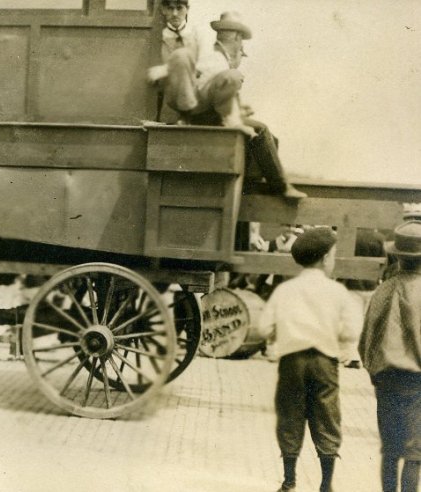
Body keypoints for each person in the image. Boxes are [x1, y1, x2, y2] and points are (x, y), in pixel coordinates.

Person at [257, 227, 363, 492]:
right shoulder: (337, 291)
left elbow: (263, 328)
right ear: (326, 258)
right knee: (327, 416)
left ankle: (289, 480)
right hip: (325, 362)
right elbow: (351, 331)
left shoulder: (285, 290)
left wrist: (282, 332)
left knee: (290, 414)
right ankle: (326, 484)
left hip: (291, 361)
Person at [163, 12, 306, 200]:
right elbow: (214, 98)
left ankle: (250, 184)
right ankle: (280, 187)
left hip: (198, 114)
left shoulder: (210, 55)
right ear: (237, 38)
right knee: (261, 130)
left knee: (270, 139)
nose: (241, 48)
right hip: (202, 119)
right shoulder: (219, 62)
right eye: (241, 43)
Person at [359, 220, 421, 492]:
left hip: (386, 380)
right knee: (415, 453)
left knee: (390, 449)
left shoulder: (382, 290)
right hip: (417, 382)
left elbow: (366, 340)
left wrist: (374, 372)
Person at [147, 0, 208, 123]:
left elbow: (204, 64)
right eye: (170, 8)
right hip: (170, 98)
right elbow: (153, 73)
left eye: (179, 8)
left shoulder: (197, 34)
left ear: (187, 9)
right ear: (164, 10)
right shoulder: (158, 37)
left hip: (196, 94)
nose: (175, 13)